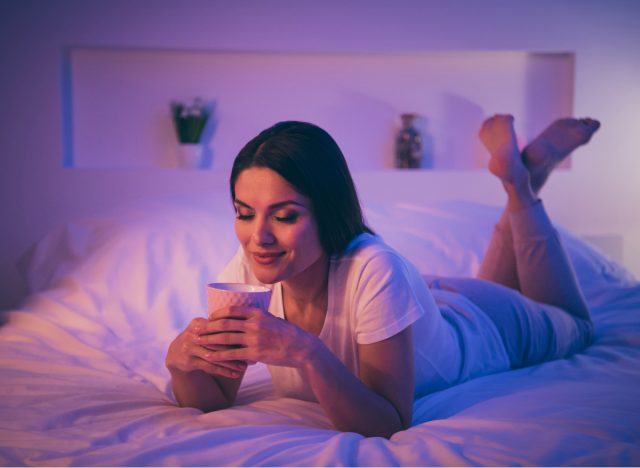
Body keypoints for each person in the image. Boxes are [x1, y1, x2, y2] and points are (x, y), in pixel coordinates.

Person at [165, 114, 600, 438]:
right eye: (244, 213)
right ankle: (521, 178)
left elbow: (389, 422)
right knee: (497, 282)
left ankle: (521, 186)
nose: (257, 236)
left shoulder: (375, 267)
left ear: (327, 212)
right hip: (432, 301)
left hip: (487, 327)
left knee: (576, 325)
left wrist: (306, 352)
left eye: (284, 215)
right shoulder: (246, 271)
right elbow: (217, 399)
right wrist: (181, 366)